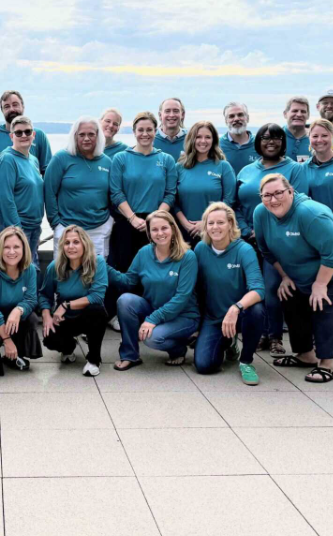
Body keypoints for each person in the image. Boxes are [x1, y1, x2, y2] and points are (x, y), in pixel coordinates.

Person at [253, 174, 333, 384]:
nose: (273, 200)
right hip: (314, 266)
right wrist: (286, 276)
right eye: (267, 195)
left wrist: (320, 284)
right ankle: (305, 354)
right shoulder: (261, 213)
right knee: (290, 296)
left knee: (324, 303)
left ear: (291, 191)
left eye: (279, 193)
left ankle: (327, 364)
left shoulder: (309, 212)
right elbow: (267, 251)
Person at [233, 123, 308, 356]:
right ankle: (256, 334)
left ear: (283, 142)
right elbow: (236, 205)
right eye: (265, 137)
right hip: (247, 238)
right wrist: (246, 229)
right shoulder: (246, 171)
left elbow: (298, 204)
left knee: (272, 289)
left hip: (278, 241)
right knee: (250, 288)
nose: (271, 141)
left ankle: (274, 336)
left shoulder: (294, 169)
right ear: (258, 142)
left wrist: (267, 230)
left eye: (276, 137)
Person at [109, 211, 200, 370]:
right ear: (149, 233)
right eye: (154, 229)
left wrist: (151, 320)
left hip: (183, 315)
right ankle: (130, 355)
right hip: (154, 308)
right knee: (125, 300)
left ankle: (178, 349)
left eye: (164, 228)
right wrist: (105, 268)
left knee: (151, 338)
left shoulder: (188, 256)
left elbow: (182, 297)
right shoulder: (144, 252)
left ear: (173, 228)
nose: (160, 233)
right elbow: (128, 281)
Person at [192, 202, 264, 386]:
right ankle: (229, 343)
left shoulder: (244, 250)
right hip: (214, 317)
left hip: (240, 314)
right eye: (210, 223)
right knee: (204, 365)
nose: (215, 227)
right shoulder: (200, 249)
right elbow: (195, 288)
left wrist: (236, 308)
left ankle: (246, 361)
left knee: (256, 310)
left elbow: (258, 289)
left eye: (220, 222)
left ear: (231, 224)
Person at [108, 111, 178, 275]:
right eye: (140, 130)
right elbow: (116, 192)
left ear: (156, 131)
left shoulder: (166, 160)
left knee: (155, 271)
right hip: (127, 222)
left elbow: (170, 194)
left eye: (149, 130)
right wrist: (132, 218)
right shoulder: (121, 158)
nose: (145, 134)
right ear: (134, 132)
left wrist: (156, 220)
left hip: (157, 226)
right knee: (126, 270)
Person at [40, 226, 110, 376]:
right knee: (49, 338)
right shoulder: (54, 267)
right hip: (64, 319)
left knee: (97, 310)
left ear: (85, 244)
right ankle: (68, 347)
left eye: (76, 242)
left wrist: (66, 305)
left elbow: (97, 297)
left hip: (89, 316)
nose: (71, 246)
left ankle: (94, 360)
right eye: (67, 243)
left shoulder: (97, 262)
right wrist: (46, 316)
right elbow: (44, 295)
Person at [44, 116, 113, 260]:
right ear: (75, 136)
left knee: (96, 271)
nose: (86, 138)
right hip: (67, 229)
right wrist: (56, 223)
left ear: (98, 136)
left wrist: (110, 221)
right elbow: (49, 192)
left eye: (91, 134)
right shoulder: (61, 158)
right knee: (65, 271)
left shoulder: (107, 162)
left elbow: (113, 194)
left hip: (99, 229)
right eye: (82, 134)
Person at [0, 226, 43, 372]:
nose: (11, 252)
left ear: (24, 248)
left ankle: (15, 355)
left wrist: (18, 310)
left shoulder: (29, 269)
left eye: (16, 247)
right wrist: (7, 340)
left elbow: (31, 299)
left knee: (31, 318)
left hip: (10, 316)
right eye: (6, 247)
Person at [174, 121, 236, 247]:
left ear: (213, 140)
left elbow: (229, 201)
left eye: (208, 137)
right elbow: (173, 202)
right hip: (184, 233)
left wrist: (205, 223)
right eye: (198, 137)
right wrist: (185, 224)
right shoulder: (179, 167)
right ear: (192, 139)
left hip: (215, 232)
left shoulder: (223, 167)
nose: (203, 141)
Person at [0, 116, 44, 258]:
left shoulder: (33, 160)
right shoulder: (7, 159)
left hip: (34, 226)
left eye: (27, 132)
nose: (23, 135)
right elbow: (5, 198)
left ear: (33, 135)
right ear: (11, 136)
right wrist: (17, 231)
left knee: (31, 267)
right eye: (18, 133)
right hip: (16, 227)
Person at [0, 90, 52, 173]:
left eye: (15, 105)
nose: (12, 109)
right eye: (7, 106)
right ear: (2, 110)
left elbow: (47, 171)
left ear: (23, 106)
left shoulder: (39, 135)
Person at [219, 101, 258, 174]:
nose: (236, 119)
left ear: (247, 118)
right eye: (231, 116)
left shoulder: (259, 144)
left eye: (240, 115)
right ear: (226, 121)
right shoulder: (217, 146)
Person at [282, 96, 311, 163]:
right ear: (285, 114)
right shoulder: (276, 137)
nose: (299, 114)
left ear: (308, 115)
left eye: (303, 111)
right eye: (295, 111)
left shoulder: (316, 139)